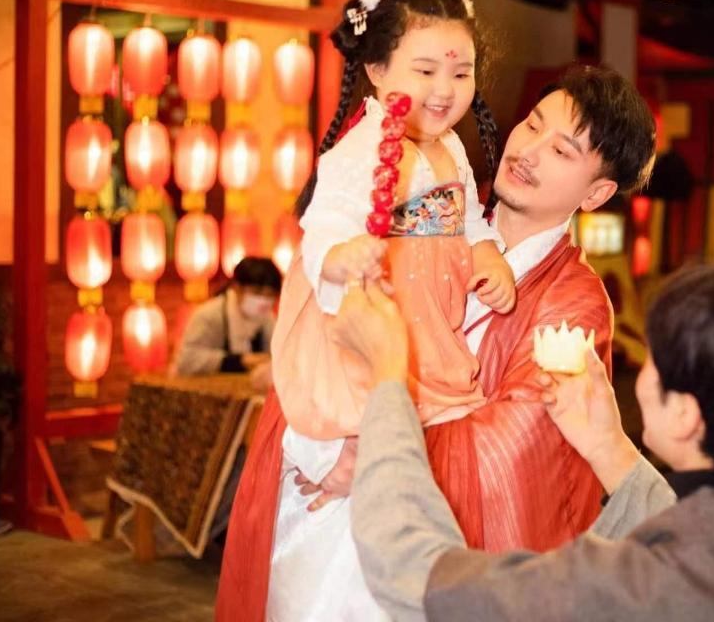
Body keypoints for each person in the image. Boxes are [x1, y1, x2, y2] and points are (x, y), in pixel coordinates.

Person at [216, 63, 657, 621]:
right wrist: (326, 439)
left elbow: (516, 444)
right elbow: (328, 317)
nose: (528, 150)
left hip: (426, 539)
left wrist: (377, 441)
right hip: (329, 499)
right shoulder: (432, 208)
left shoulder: (574, 301)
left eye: (561, 151)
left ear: (596, 192)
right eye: (532, 124)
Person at [340, 264, 714, 622]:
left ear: (686, 415)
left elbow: (412, 569)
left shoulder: (634, 587)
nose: (638, 372)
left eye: (653, 360)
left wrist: (389, 376)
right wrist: (610, 450)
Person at [265, 0, 517, 621]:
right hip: (367, 316)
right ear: (377, 70)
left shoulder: (449, 148)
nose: (444, 89)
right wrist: (343, 256)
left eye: (460, 72)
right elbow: (323, 224)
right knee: (357, 454)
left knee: (409, 466)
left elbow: (468, 219)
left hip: (426, 331)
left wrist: (487, 252)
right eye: (425, 70)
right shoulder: (362, 149)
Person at [172, 256, 280, 378]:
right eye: (257, 292)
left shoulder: (267, 318)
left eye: (270, 295)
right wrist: (241, 360)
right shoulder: (210, 315)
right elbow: (187, 360)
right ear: (237, 287)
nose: (264, 300)